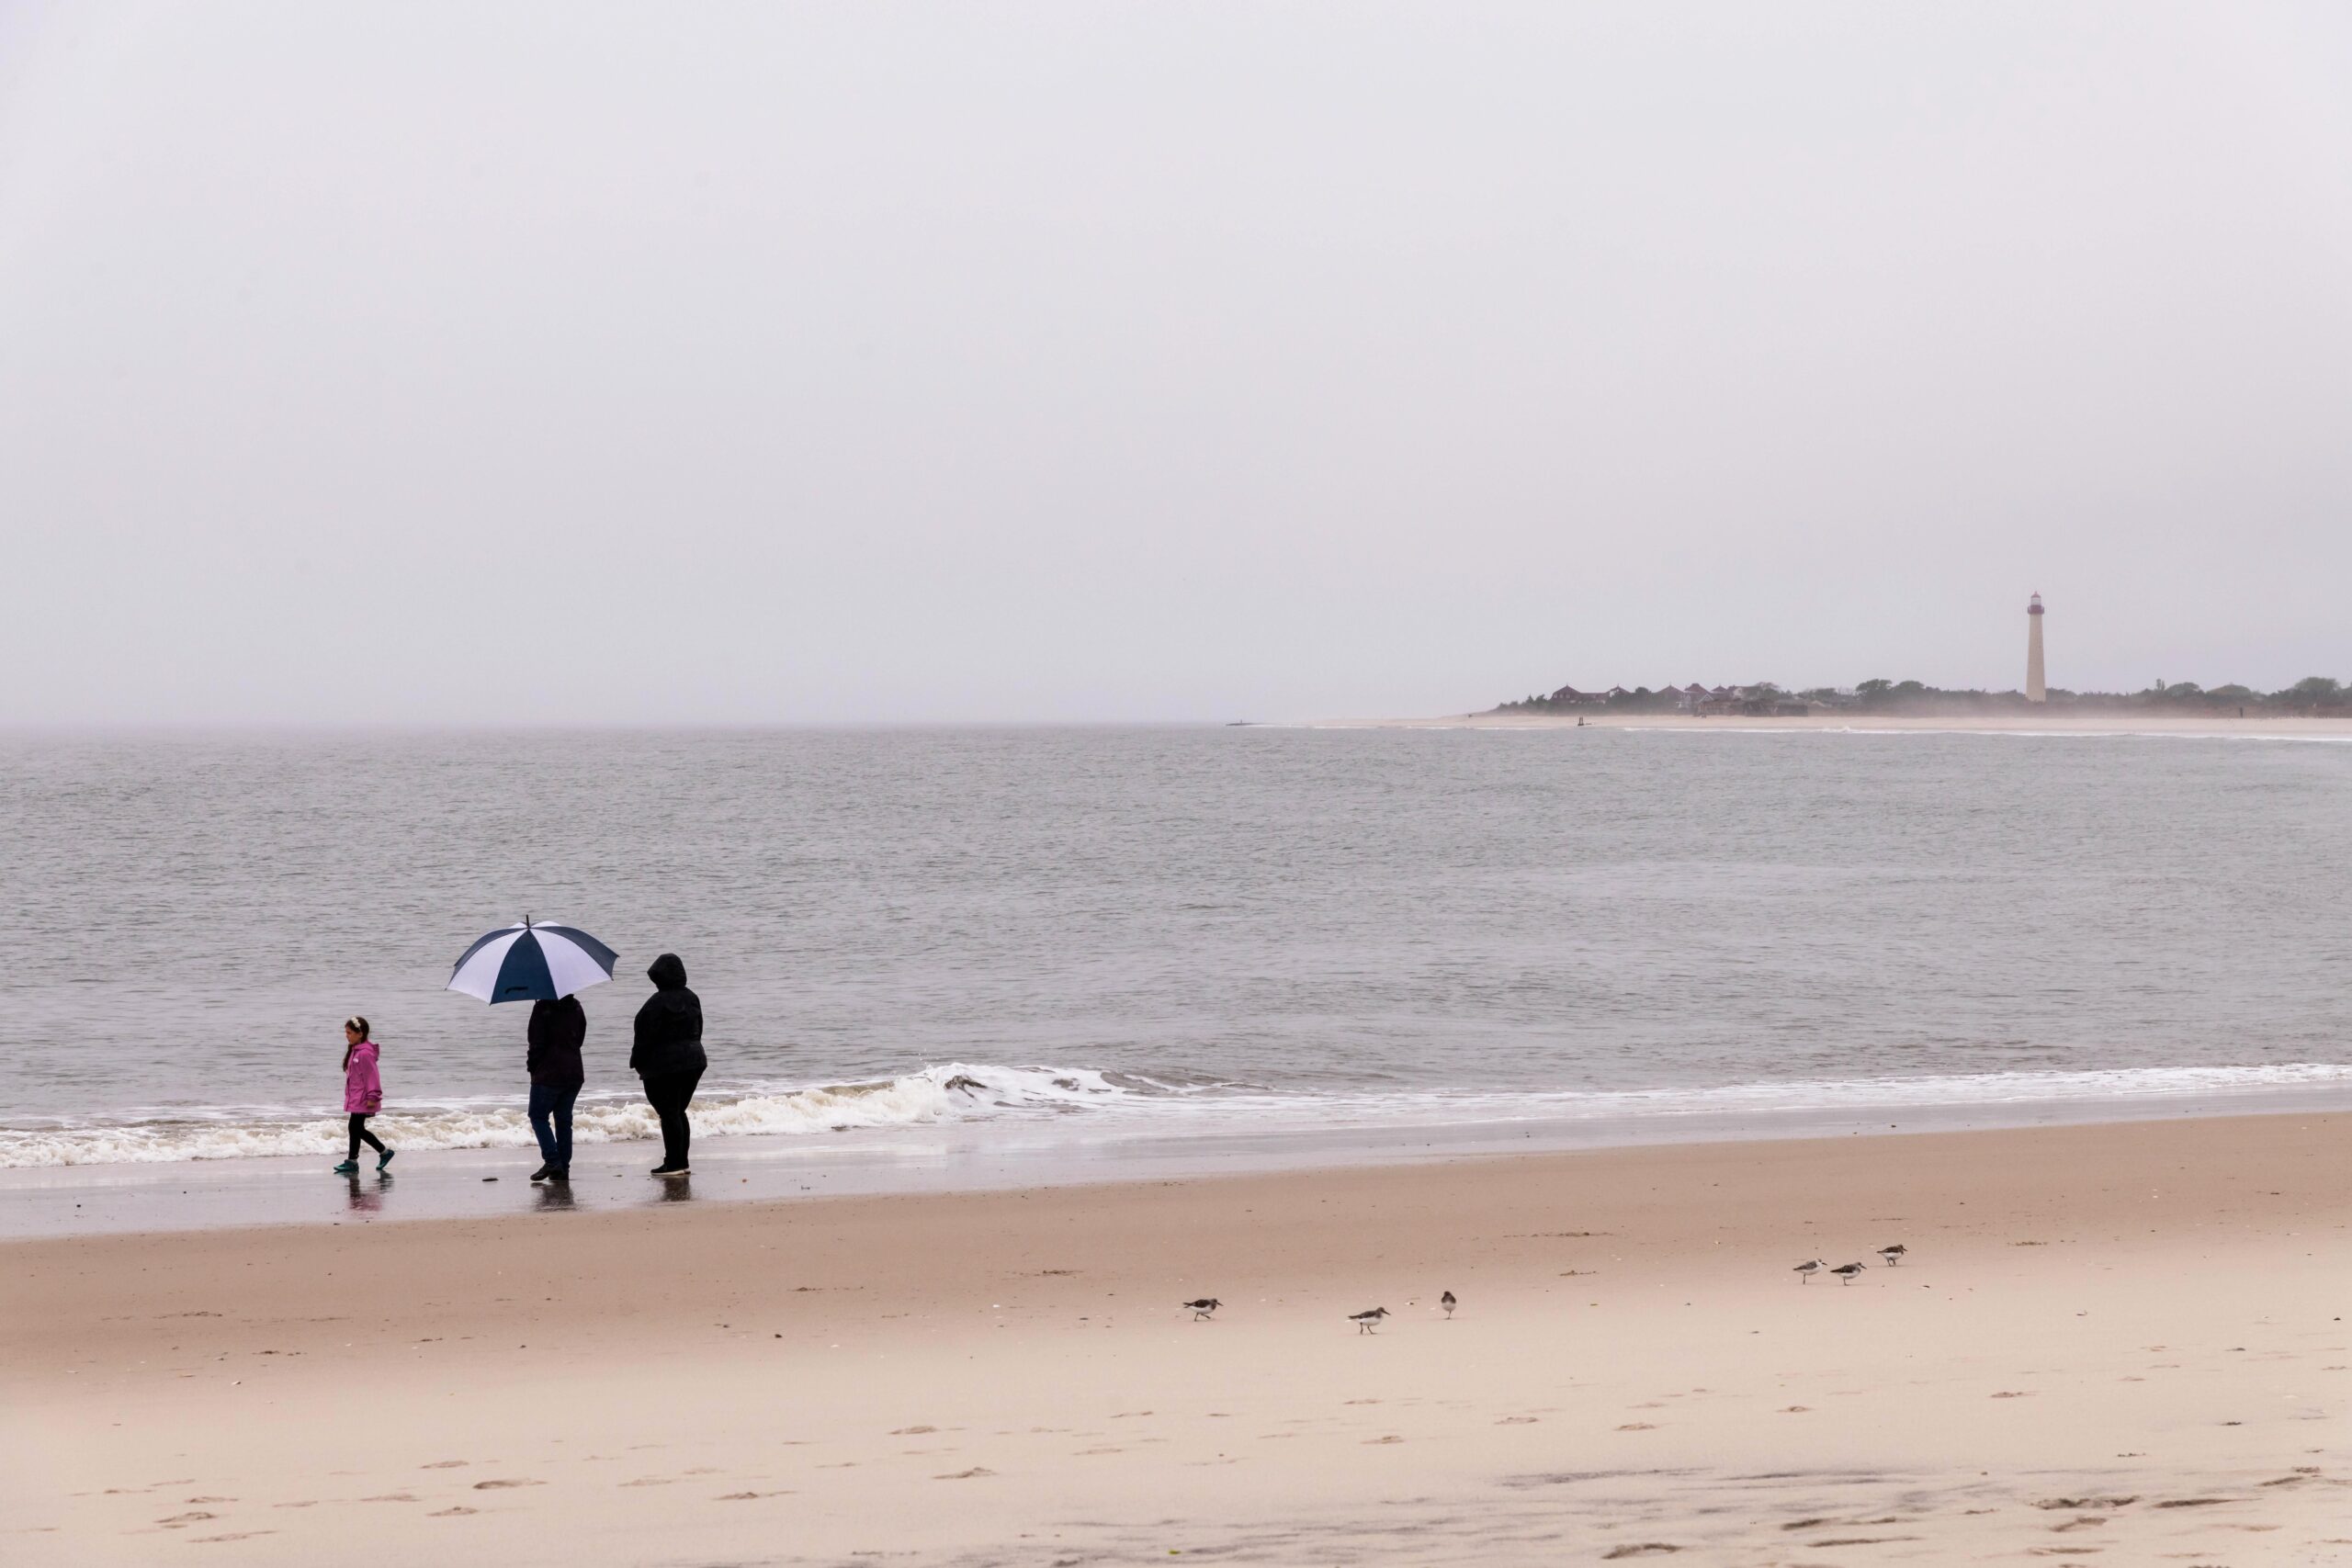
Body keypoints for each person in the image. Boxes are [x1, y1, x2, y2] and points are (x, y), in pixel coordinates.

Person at [630, 953, 706, 1178]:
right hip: (694, 1060)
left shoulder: (655, 1003)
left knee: (669, 1112)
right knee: (678, 1111)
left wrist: (637, 1062)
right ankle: (680, 1160)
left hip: (664, 1066)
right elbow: (699, 1028)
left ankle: (673, 1163)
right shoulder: (692, 997)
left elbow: (644, 1037)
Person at [526, 994, 586, 1182]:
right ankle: (563, 1167)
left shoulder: (542, 1008)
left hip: (549, 1073)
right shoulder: (576, 1007)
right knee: (563, 1119)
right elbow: (580, 1039)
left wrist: (532, 1066)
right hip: (574, 1071)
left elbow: (536, 1044)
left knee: (537, 1115)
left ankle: (552, 1160)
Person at [334, 1017, 394, 1175]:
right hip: (356, 1096)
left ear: (360, 1034)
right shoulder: (356, 1050)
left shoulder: (365, 1053)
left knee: (355, 1128)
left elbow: (372, 1076)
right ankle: (354, 1161)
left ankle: (382, 1153)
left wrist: (373, 1097)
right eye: (346, 1032)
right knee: (355, 1128)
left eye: (349, 1033)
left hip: (364, 1097)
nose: (347, 1036)